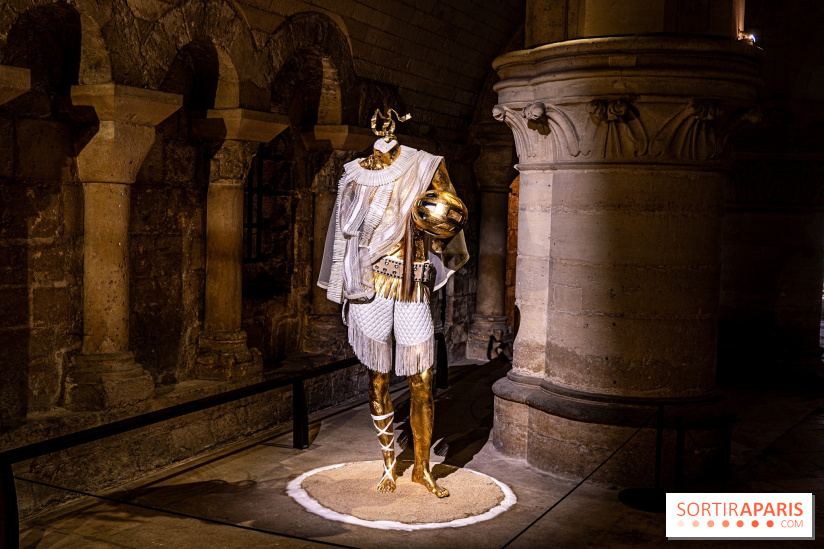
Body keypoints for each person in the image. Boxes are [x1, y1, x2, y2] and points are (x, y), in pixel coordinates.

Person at [317, 110, 468, 497]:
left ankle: (421, 468)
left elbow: (447, 212)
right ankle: (388, 462)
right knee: (378, 376)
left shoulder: (425, 164)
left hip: (412, 282)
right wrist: (344, 284)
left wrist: (435, 234)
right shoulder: (354, 174)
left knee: (423, 379)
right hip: (372, 283)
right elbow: (343, 239)